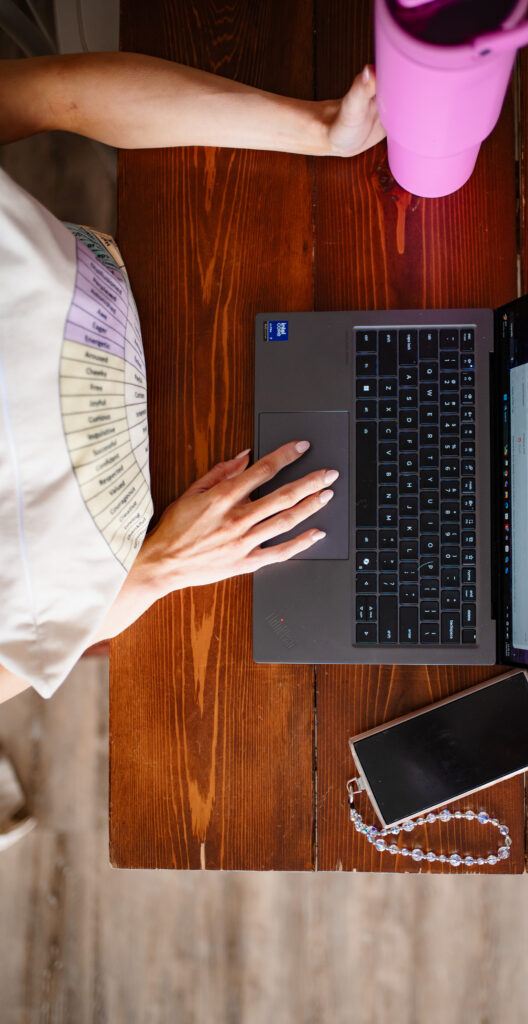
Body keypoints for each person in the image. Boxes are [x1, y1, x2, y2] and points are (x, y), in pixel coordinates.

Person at [0, 53, 385, 704]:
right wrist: (158, 570)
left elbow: (54, 96)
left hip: (138, 320)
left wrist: (319, 131)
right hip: (133, 551)